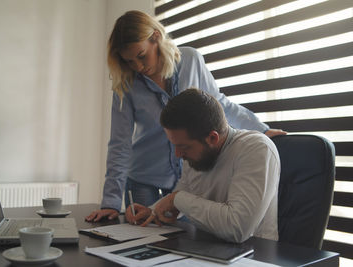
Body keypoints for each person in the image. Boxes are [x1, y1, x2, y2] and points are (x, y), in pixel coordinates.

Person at [86, 10, 285, 223]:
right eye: (129, 61)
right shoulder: (126, 84)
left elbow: (219, 104)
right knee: (142, 236)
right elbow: (120, 143)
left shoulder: (190, 59)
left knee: (186, 239)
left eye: (141, 56)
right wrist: (110, 202)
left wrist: (261, 129)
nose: (138, 67)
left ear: (156, 37)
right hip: (144, 178)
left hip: (189, 178)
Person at [126, 88, 280, 243]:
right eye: (175, 146)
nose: (178, 155)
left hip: (254, 255)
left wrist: (176, 199)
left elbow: (237, 228)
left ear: (212, 138)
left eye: (184, 147)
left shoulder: (256, 148)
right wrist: (153, 211)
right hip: (204, 247)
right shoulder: (197, 155)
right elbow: (183, 193)